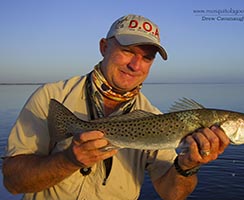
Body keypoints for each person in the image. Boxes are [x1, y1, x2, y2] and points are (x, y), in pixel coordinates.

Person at [2, 14, 230, 200]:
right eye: (128, 51)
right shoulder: (52, 97)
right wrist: (68, 160)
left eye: (147, 57)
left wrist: (187, 165)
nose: (135, 65)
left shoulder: (157, 120)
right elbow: (12, 183)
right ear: (104, 47)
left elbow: (172, 194)